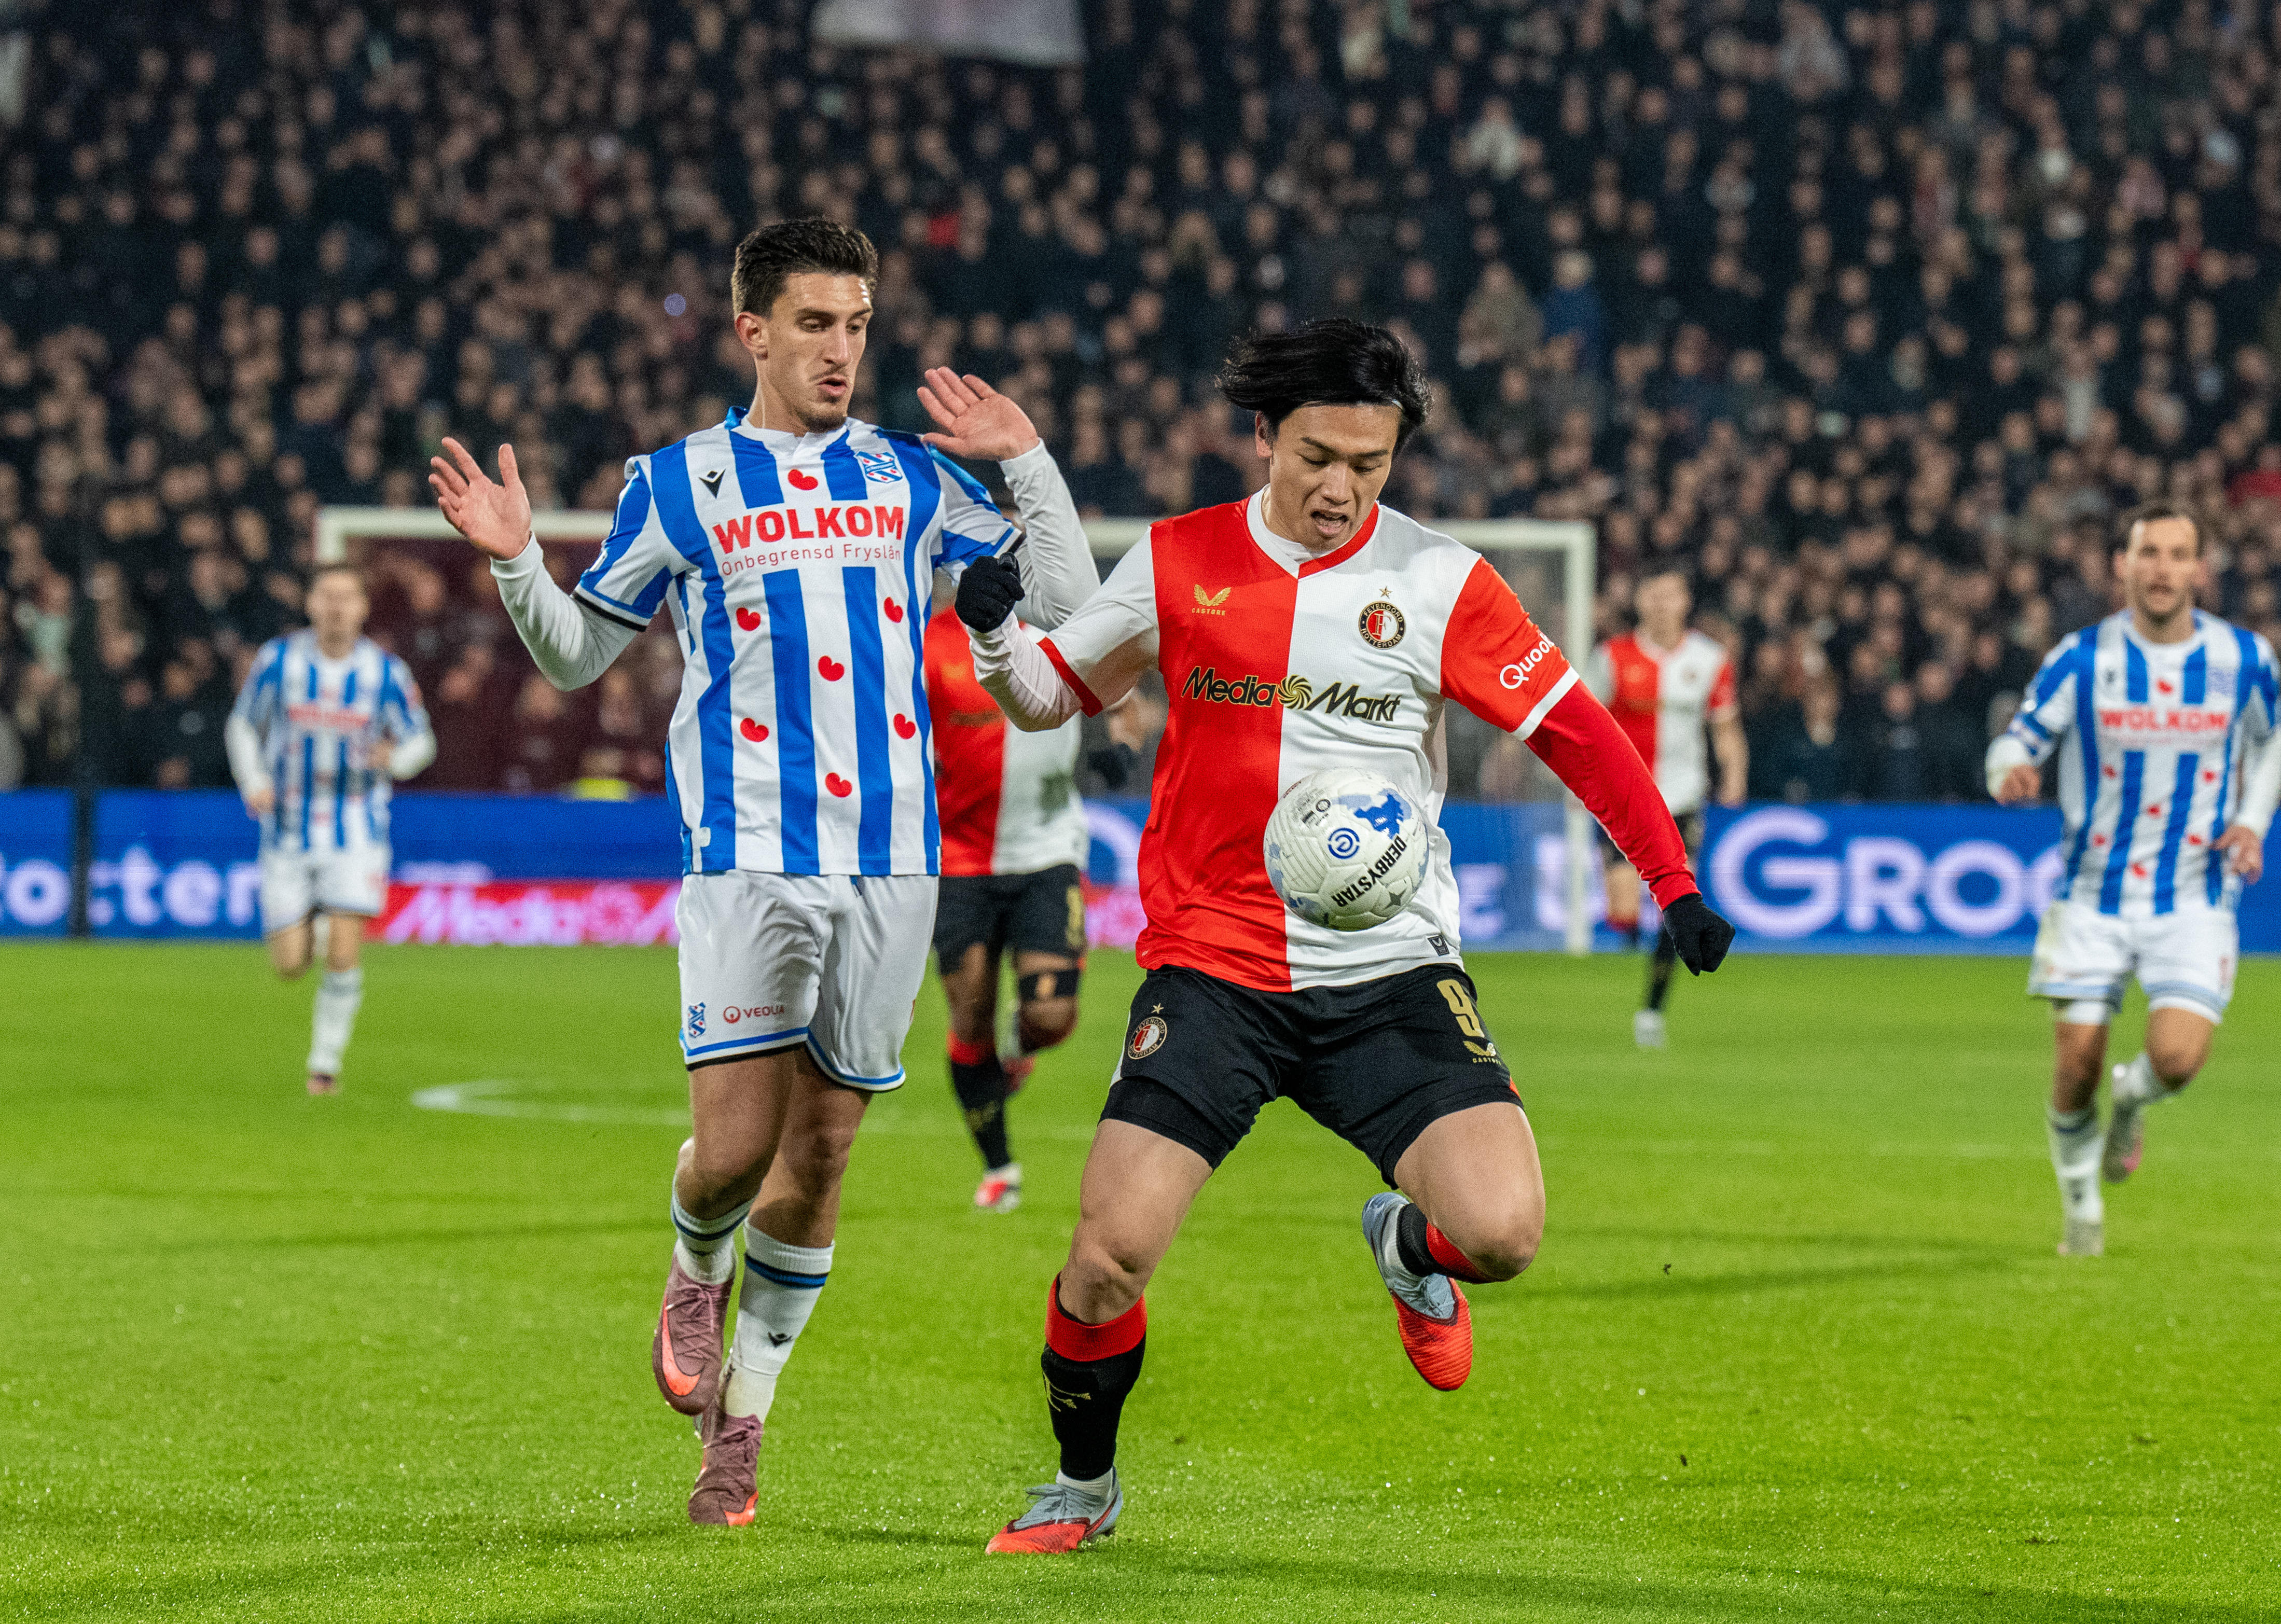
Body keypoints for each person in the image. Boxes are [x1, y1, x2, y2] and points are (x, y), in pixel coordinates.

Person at [956, 319, 1737, 1553]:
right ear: (1264, 437)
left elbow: (1577, 730)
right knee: (1106, 1256)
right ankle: (1080, 1484)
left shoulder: (1440, 583)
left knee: (1503, 1234)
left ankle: (1405, 1241)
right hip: (1214, 967)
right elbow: (1055, 693)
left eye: (1369, 466)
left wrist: (1671, 878)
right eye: (1317, 456)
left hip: (1389, 974)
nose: (1339, 489)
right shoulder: (1175, 559)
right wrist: (996, 637)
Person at [427, 217, 1100, 1526]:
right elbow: (574, 656)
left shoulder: (913, 479)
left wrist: (1028, 465)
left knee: (824, 1158)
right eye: (813, 323)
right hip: (744, 853)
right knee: (735, 1154)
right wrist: (517, 559)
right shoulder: (677, 484)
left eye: (855, 324)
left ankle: (740, 1427)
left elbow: (1068, 606)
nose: (840, 349)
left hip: (895, 858)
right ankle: (693, 1262)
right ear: (753, 331)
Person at [1988, 501, 2281, 1258]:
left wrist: (2251, 819)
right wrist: (2009, 770)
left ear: (2198, 567)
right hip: (2091, 892)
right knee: (2074, 1061)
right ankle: (2081, 1209)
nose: (2160, 568)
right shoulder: (2081, 657)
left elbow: (2270, 739)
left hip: (2194, 892)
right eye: (2146, 553)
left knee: (2179, 1058)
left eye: (2176, 553)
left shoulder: (2243, 658)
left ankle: (2133, 1095)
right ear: (2120, 565)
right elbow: (2016, 738)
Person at [923, 596, 1146, 1212]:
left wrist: (1122, 749)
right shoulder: (928, 645)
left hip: (1047, 853)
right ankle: (999, 1166)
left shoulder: (1068, 634)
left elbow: (1131, 704)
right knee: (970, 1018)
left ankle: (1017, 1053)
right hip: (960, 860)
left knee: (1050, 1018)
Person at [224, 563, 434, 1094]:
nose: (337, 606)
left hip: (356, 826)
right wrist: (253, 780)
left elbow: (420, 741)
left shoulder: (386, 672)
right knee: (290, 965)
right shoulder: (279, 661)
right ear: (311, 603)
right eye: (327, 595)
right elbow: (244, 723)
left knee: (344, 952)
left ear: (363, 607)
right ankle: (313, 926)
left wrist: (396, 759)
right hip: (287, 828)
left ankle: (324, 1066)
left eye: (347, 596)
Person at [1583, 568, 1747, 1048]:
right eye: (1652, 594)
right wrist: (1581, 784)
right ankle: (1629, 936)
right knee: (1623, 906)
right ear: (1639, 600)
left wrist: (1734, 774)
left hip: (1682, 796)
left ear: (1685, 600)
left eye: (1670, 594)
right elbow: (1588, 726)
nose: (1660, 603)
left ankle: (1652, 1009)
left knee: (1676, 906)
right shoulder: (1610, 657)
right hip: (1623, 795)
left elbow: (1726, 727)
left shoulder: (1710, 659)